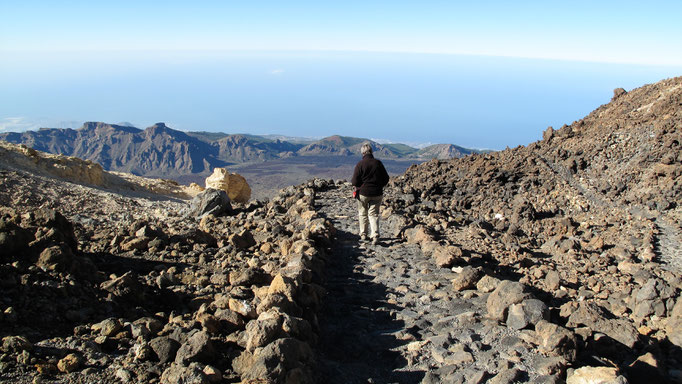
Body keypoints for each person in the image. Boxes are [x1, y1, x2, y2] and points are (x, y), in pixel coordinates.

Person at [351, 142, 390, 245]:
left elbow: (354, 182)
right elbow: (386, 178)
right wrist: (379, 185)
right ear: (371, 152)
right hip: (377, 193)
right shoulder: (378, 163)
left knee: (362, 213)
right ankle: (375, 235)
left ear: (362, 152)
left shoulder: (360, 164)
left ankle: (363, 234)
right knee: (373, 214)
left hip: (363, 193)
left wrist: (360, 186)